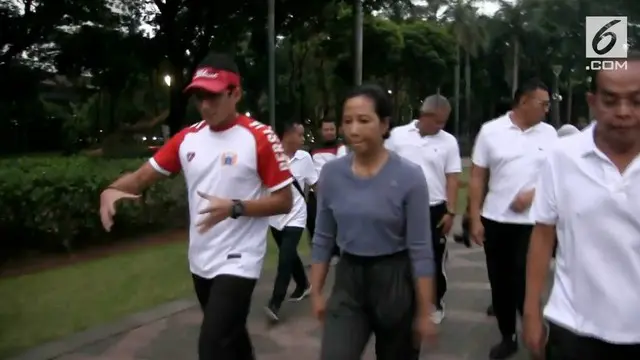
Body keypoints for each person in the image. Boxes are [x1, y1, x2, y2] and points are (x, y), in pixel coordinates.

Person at [98, 53, 293, 360]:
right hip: (200, 259)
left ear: (236, 93)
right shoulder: (187, 139)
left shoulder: (259, 137)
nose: (205, 105)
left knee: (212, 346)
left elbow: (285, 201)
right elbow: (139, 179)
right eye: (200, 96)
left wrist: (235, 207)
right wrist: (109, 191)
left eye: (214, 96)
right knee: (232, 339)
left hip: (239, 260)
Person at [524, 53, 640, 360]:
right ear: (592, 101)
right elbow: (543, 234)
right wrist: (532, 311)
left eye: (637, 100)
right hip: (574, 326)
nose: (624, 112)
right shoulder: (562, 157)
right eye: (611, 100)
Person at [310, 84, 437, 360]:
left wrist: (425, 311)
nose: (354, 130)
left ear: (384, 125)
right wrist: (317, 290)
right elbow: (323, 236)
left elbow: (421, 248)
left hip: (395, 281)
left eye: (364, 120)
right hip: (349, 279)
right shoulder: (332, 174)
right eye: (347, 121)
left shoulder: (409, 177)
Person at [469, 79, 558, 359]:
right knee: (500, 283)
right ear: (522, 102)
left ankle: (537, 334)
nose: (546, 110)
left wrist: (532, 195)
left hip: (534, 223)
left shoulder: (549, 134)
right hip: (496, 219)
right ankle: (508, 336)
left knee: (525, 282)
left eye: (548, 105)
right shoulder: (491, 131)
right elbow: (477, 176)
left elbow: (556, 177)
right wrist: (474, 217)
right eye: (542, 104)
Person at [385, 94, 461, 324]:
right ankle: (404, 301)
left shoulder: (448, 142)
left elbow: (453, 178)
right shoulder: (397, 136)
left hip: (434, 209)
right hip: (401, 208)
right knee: (400, 256)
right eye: (437, 121)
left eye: (444, 121)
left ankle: (435, 301)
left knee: (433, 259)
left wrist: (451, 211)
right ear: (424, 115)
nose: (441, 126)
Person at [264, 121, 317, 321]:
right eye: (300, 135)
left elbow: (314, 184)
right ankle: (304, 284)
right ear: (287, 135)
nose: (303, 139)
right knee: (290, 255)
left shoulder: (305, 158)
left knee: (285, 259)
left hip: (297, 215)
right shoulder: (269, 156)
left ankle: (275, 303)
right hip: (275, 216)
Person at [308, 118, 343, 258]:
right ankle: (319, 251)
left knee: (335, 223)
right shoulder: (313, 149)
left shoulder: (341, 147)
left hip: (335, 191)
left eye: (331, 129)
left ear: (336, 130)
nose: (329, 132)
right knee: (312, 221)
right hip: (315, 191)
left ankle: (335, 252)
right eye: (326, 129)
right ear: (321, 131)